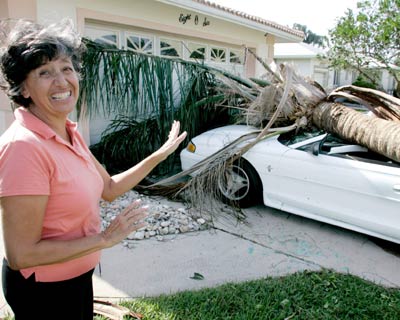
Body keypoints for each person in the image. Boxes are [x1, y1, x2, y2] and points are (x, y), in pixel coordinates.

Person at [0, 19, 187, 319]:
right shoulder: (24, 147)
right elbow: (22, 255)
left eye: (66, 68)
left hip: (76, 277)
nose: (61, 81)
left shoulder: (69, 133)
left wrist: (160, 155)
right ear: (23, 89)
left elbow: (109, 189)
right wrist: (103, 239)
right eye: (44, 72)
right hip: (44, 291)